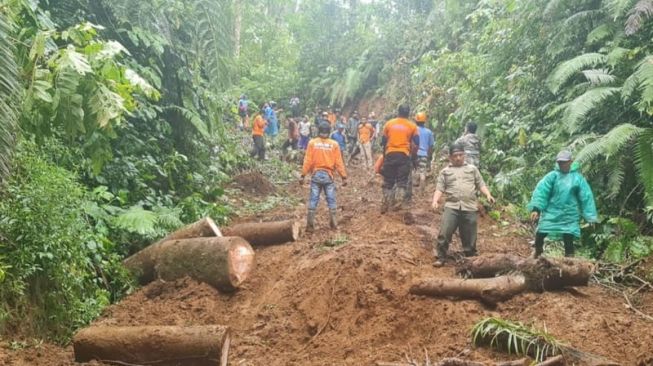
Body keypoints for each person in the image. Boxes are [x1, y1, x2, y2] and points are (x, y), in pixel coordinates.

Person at [431, 143, 495, 266]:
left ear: (464, 155)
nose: (458, 158)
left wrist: (488, 194)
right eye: (455, 155)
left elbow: (480, 184)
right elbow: (439, 188)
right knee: (445, 232)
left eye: (460, 155)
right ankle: (441, 257)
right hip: (452, 206)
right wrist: (435, 201)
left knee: (470, 235)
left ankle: (470, 258)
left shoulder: (472, 169)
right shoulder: (445, 172)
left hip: (469, 206)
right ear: (450, 157)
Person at [527, 150, 598, 258]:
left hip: (569, 213)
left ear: (570, 161)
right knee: (541, 232)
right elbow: (542, 192)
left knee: (568, 237)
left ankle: (569, 260)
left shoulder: (578, 178)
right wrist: (536, 209)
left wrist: (590, 217)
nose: (562, 165)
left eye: (564, 162)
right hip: (552, 211)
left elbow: (586, 197)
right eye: (560, 162)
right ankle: (538, 251)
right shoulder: (552, 176)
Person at [301, 123, 348, 231]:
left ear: (318, 130)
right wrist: (343, 177)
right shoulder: (334, 144)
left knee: (313, 199)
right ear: (329, 131)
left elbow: (308, 160)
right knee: (331, 199)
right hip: (328, 175)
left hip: (316, 174)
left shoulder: (312, 143)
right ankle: (334, 224)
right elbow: (338, 162)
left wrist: (303, 175)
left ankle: (310, 226)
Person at [380, 104, 420, 213]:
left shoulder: (389, 124)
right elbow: (417, 143)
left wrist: (384, 157)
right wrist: (414, 158)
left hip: (390, 154)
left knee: (388, 181)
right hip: (404, 155)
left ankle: (385, 203)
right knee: (402, 181)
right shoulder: (412, 126)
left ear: (398, 112)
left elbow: (383, 142)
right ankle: (398, 202)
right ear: (408, 113)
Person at [414, 112, 434, 192]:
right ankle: (422, 190)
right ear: (424, 121)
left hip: (415, 153)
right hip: (424, 154)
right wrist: (429, 155)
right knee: (422, 171)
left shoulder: (414, 129)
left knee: (414, 170)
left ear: (416, 120)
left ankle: (414, 188)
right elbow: (431, 146)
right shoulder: (429, 132)